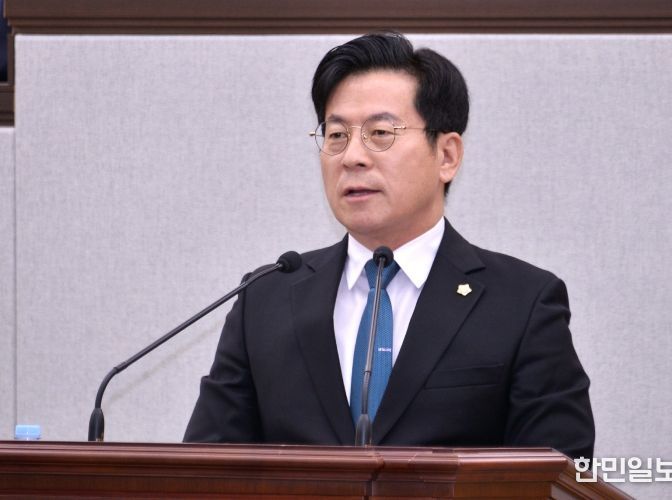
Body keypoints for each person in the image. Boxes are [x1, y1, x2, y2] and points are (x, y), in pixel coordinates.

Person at [184, 32, 594, 460]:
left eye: (380, 132)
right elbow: (204, 470)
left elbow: (560, 473)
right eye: (336, 135)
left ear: (447, 155)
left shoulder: (523, 303)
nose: (352, 157)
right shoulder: (264, 299)